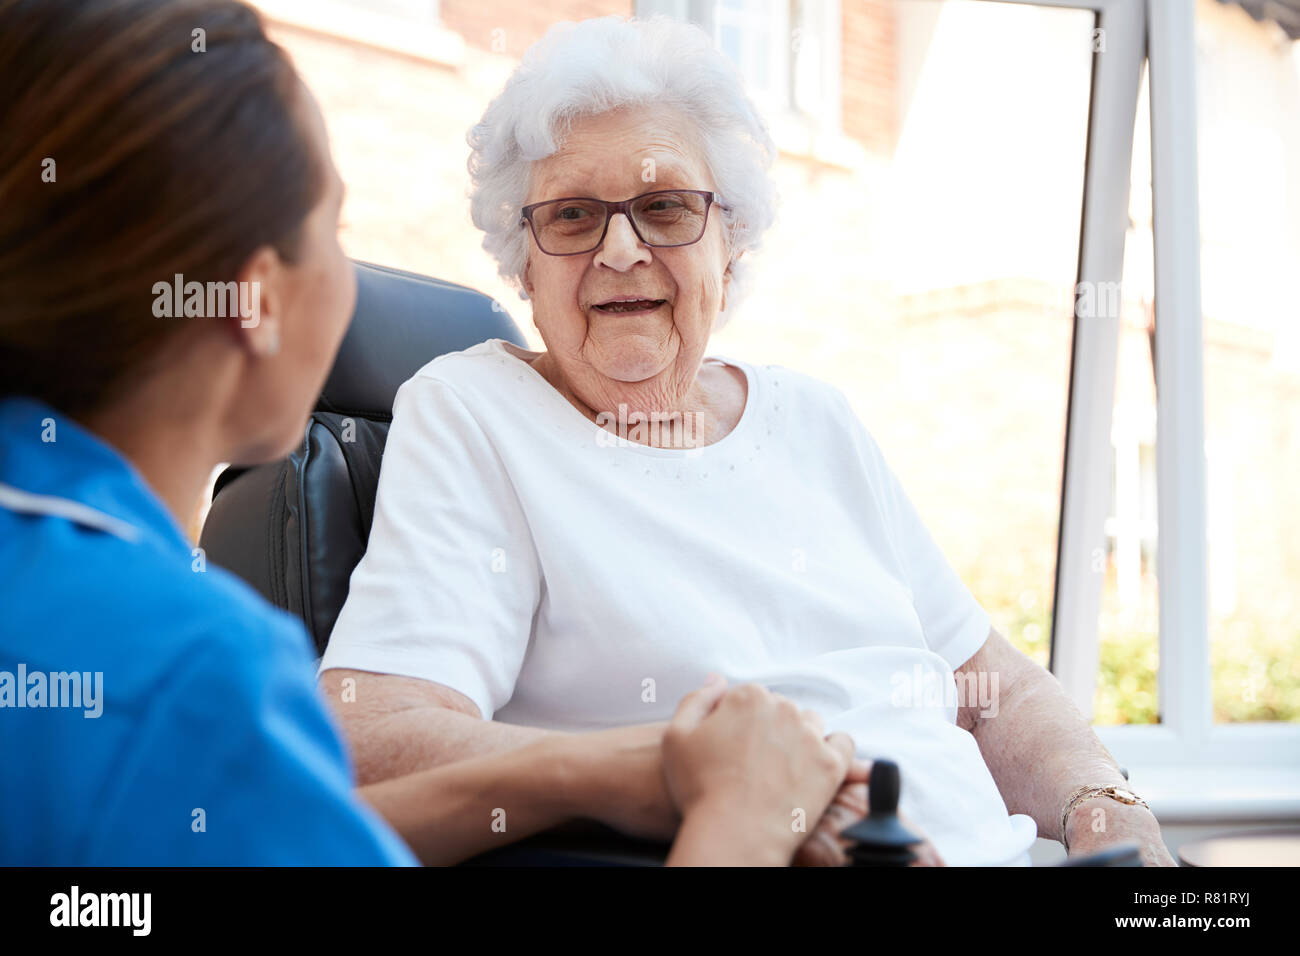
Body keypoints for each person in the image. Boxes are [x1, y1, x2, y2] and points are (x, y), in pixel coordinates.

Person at [0, 0, 860, 867]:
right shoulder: (188, 673)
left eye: (665, 207)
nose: (621, 250)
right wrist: (747, 812)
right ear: (255, 302)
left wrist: (623, 767)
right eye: (333, 231)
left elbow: (282, 834)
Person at [318, 15, 1178, 866]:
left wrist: (1105, 804)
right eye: (574, 216)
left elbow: (991, 692)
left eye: (664, 208)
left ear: (730, 244)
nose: (620, 250)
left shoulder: (817, 419)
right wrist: (669, 772)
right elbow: (376, 733)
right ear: (522, 262)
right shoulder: (476, 413)